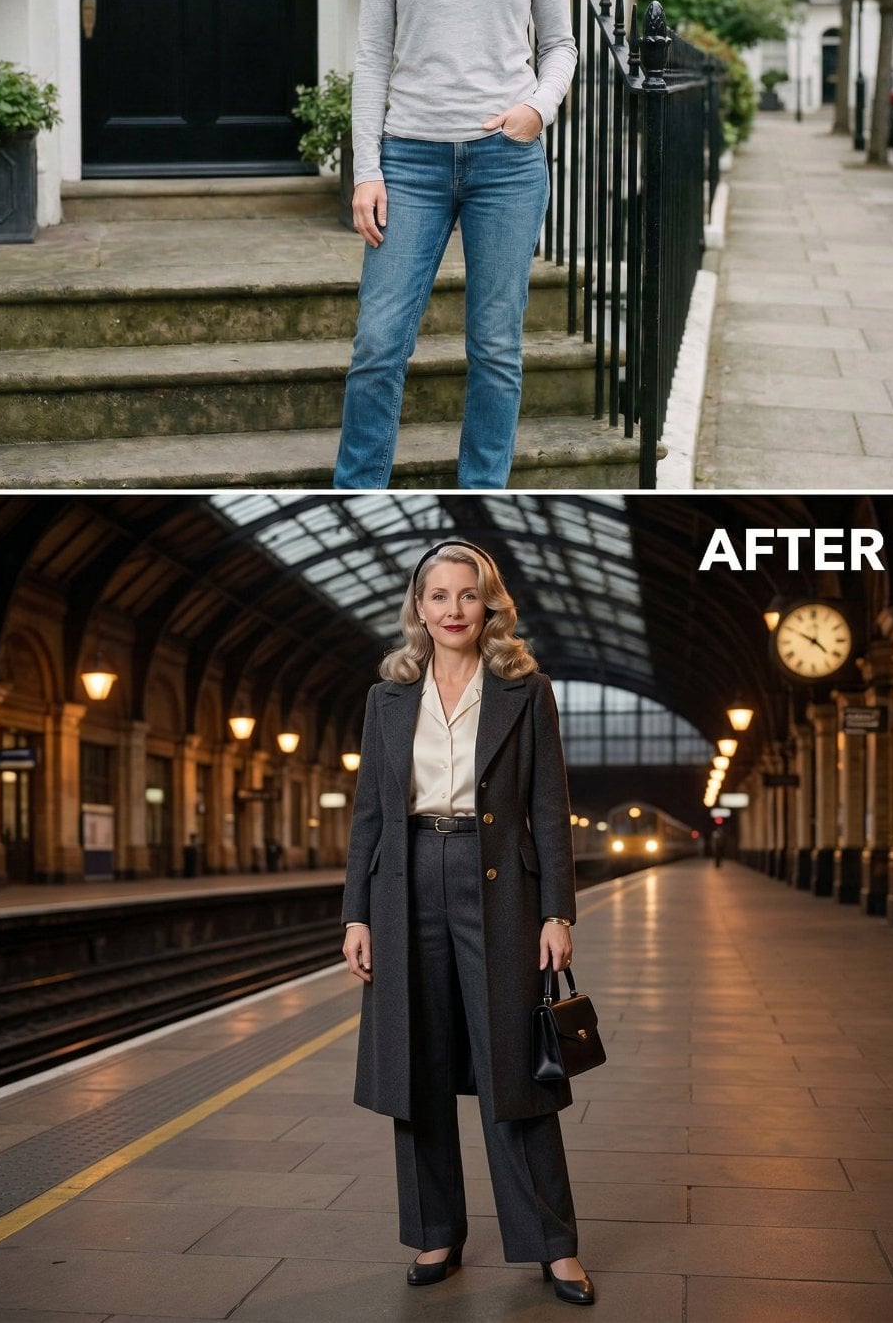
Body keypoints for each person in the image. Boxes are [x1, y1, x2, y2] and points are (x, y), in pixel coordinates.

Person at [341, 540, 595, 1306]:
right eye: (439, 596)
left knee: (515, 1065)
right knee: (412, 1064)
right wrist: (357, 912)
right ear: (418, 607)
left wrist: (557, 910)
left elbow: (548, 809)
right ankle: (435, 1233)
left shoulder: (525, 689)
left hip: (499, 888)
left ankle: (553, 1245)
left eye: (468, 595)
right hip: (406, 878)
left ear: (491, 606)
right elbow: (371, 815)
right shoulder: (386, 699)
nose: (454, 610)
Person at [333, 0, 577, 490]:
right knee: (378, 342)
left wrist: (539, 108)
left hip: (505, 162)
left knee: (497, 347)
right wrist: (367, 171)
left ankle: (481, 493)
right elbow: (372, 57)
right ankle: (358, 490)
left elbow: (561, 44)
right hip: (410, 160)